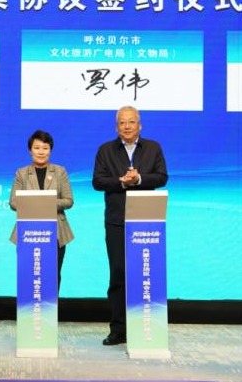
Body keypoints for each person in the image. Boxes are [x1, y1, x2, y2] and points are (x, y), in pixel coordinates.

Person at [92, 106, 168, 346]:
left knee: (145, 274)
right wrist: (122, 182)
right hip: (116, 220)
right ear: (117, 127)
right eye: (122, 122)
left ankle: (145, 327)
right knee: (118, 274)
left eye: (131, 122)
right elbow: (97, 181)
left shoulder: (153, 148)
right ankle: (118, 330)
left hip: (146, 221)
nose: (127, 126)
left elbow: (162, 177)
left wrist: (140, 179)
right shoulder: (106, 150)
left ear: (139, 125)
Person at [9, 129, 74, 289]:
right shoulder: (21, 173)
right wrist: (37, 203)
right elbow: (13, 202)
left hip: (56, 231)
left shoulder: (60, 171)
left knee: (53, 274)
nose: (41, 152)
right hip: (28, 231)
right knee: (29, 274)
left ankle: (51, 305)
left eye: (45, 148)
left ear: (50, 150)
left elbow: (69, 201)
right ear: (30, 150)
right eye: (37, 148)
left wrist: (45, 202)